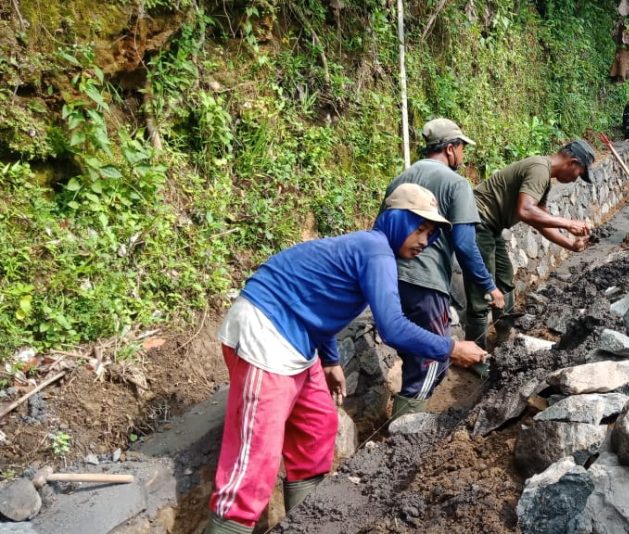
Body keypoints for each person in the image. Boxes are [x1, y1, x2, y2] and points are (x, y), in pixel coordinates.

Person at [206, 184, 488, 534]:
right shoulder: (376, 252)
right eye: (419, 228)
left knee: (317, 426)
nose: (424, 241)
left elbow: (318, 299)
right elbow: (393, 328)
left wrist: (330, 360)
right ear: (397, 221)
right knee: (255, 458)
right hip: (265, 332)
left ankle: (303, 525)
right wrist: (451, 348)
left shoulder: (373, 251)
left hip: (298, 337)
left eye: (431, 234)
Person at [382, 118, 505, 417]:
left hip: (390, 276)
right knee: (432, 361)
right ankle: (405, 432)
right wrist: (489, 285)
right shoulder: (455, 184)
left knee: (415, 353)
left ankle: (405, 424)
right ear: (451, 149)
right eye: (462, 148)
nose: (463, 155)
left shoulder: (400, 179)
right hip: (426, 281)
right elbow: (465, 244)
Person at [464, 141, 595, 350]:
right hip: (477, 222)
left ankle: (504, 338)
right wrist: (568, 223)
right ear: (573, 162)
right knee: (482, 292)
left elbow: (539, 220)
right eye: (579, 173)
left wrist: (570, 244)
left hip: (491, 227)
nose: (575, 179)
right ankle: (474, 353)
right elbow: (526, 210)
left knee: (504, 279)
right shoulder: (539, 169)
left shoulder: (544, 179)